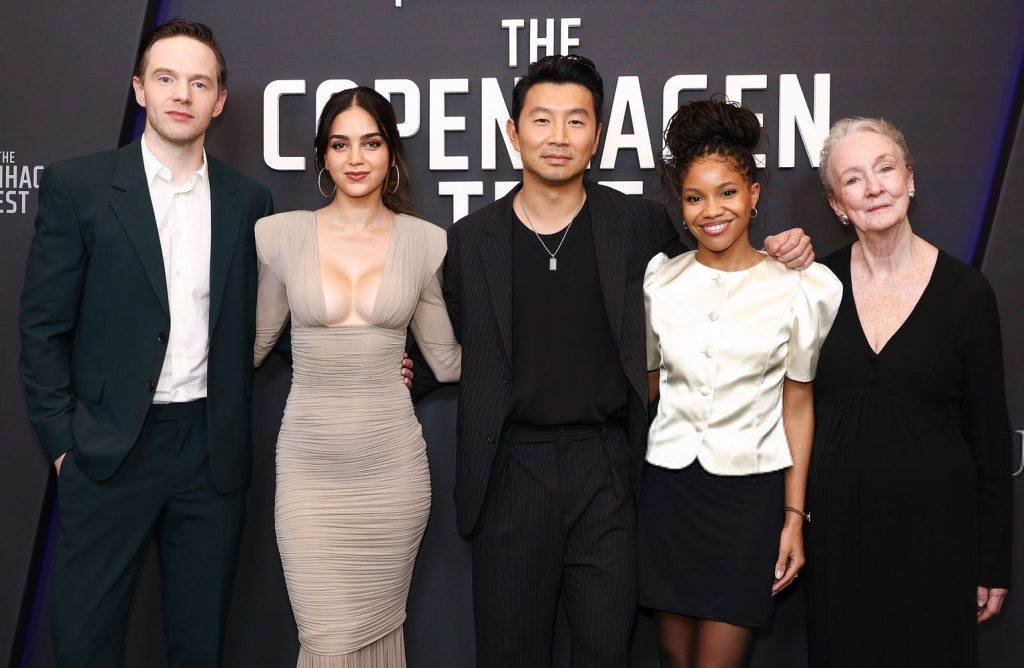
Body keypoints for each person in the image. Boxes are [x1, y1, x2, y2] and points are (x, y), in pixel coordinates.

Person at [433, 55, 814, 668]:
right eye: (542, 120)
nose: (559, 137)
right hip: (509, 469)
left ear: (598, 137)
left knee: (606, 651)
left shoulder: (638, 226)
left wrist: (786, 253)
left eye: (576, 121)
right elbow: (444, 338)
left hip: (610, 468)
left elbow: (717, 271)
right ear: (513, 132)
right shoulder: (471, 239)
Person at [18, 19, 273, 667]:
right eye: (166, 78)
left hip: (211, 453)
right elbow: (42, 326)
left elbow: (266, 319)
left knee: (200, 646)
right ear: (139, 89)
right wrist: (64, 445)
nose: (182, 94)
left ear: (219, 101)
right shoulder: (79, 187)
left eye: (199, 83)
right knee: (84, 644)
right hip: (108, 449)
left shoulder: (249, 200)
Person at [253, 85, 461, 667]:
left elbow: (446, 361)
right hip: (309, 470)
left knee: (371, 635)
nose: (356, 158)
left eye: (371, 143)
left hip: (390, 472)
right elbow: (256, 344)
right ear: (323, 155)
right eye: (340, 144)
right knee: (325, 639)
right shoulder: (282, 236)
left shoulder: (423, 242)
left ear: (391, 153)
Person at [638, 99, 842, 668]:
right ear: (681, 207)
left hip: (749, 500)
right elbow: (647, 388)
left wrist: (793, 518)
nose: (712, 211)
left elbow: (798, 407)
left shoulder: (800, 288)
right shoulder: (660, 282)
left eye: (727, 192)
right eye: (694, 198)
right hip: (668, 493)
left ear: (753, 194)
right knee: (675, 659)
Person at [805, 117, 1012, 667]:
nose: (874, 188)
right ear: (837, 205)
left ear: (910, 179)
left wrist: (991, 560)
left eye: (885, 169)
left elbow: (990, 437)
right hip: (839, 539)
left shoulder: (968, 293)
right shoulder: (815, 287)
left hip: (939, 539)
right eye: (853, 179)